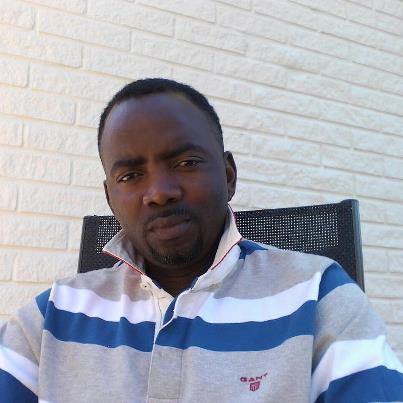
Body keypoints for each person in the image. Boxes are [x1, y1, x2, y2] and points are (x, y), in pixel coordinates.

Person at [1, 78, 402, 403]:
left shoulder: (319, 296)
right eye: (130, 176)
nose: (159, 192)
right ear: (110, 198)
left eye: (186, 162)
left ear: (228, 175)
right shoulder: (49, 318)